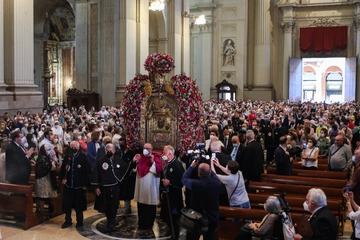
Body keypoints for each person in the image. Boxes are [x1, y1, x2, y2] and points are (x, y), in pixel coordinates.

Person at [91, 143, 129, 232]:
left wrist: (133, 163)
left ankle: (111, 223)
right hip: (104, 188)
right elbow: (96, 174)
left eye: (111, 150)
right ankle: (109, 221)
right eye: (107, 150)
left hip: (115, 187)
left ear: (114, 151)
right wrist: (96, 187)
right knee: (106, 206)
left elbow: (126, 168)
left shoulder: (118, 160)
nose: (109, 151)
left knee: (114, 206)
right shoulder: (100, 161)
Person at [181, 161, 222, 240]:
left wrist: (191, 166)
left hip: (196, 218)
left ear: (199, 173)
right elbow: (214, 175)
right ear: (209, 172)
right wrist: (210, 166)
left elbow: (184, 179)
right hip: (212, 217)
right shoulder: (217, 182)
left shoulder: (195, 184)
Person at [59, 140, 91, 229]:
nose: (73, 148)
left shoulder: (83, 157)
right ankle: (68, 220)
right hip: (69, 185)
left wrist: (86, 184)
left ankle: (79, 221)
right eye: (72, 147)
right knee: (67, 204)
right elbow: (63, 170)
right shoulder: (67, 157)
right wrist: (62, 179)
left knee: (79, 205)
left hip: (79, 186)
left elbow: (87, 172)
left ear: (78, 147)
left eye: (75, 147)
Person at [133, 143, 162, 233]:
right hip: (141, 186)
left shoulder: (155, 157)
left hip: (151, 187)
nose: (146, 150)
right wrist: (134, 161)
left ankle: (149, 223)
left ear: (151, 149)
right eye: (144, 148)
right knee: (141, 205)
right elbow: (134, 169)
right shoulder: (140, 157)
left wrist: (153, 162)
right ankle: (141, 222)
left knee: (149, 205)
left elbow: (159, 169)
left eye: (148, 148)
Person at [160, 145, 185, 239]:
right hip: (167, 194)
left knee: (174, 216)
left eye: (164, 153)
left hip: (174, 195)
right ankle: (170, 229)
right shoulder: (169, 164)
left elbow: (181, 182)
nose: (163, 154)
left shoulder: (177, 165)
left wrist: (170, 182)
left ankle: (175, 234)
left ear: (170, 154)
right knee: (165, 214)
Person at [35, 144, 58, 220]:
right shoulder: (42, 158)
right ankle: (40, 214)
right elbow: (51, 168)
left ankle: (39, 212)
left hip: (43, 180)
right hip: (43, 180)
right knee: (41, 197)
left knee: (40, 197)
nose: (50, 151)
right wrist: (53, 159)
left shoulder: (43, 157)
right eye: (48, 150)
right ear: (43, 150)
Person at [117, 137, 136, 215]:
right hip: (120, 176)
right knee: (120, 192)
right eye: (120, 142)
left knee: (127, 193)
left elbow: (133, 163)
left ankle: (126, 208)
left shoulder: (131, 153)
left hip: (129, 176)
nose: (121, 144)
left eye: (122, 142)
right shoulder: (118, 153)